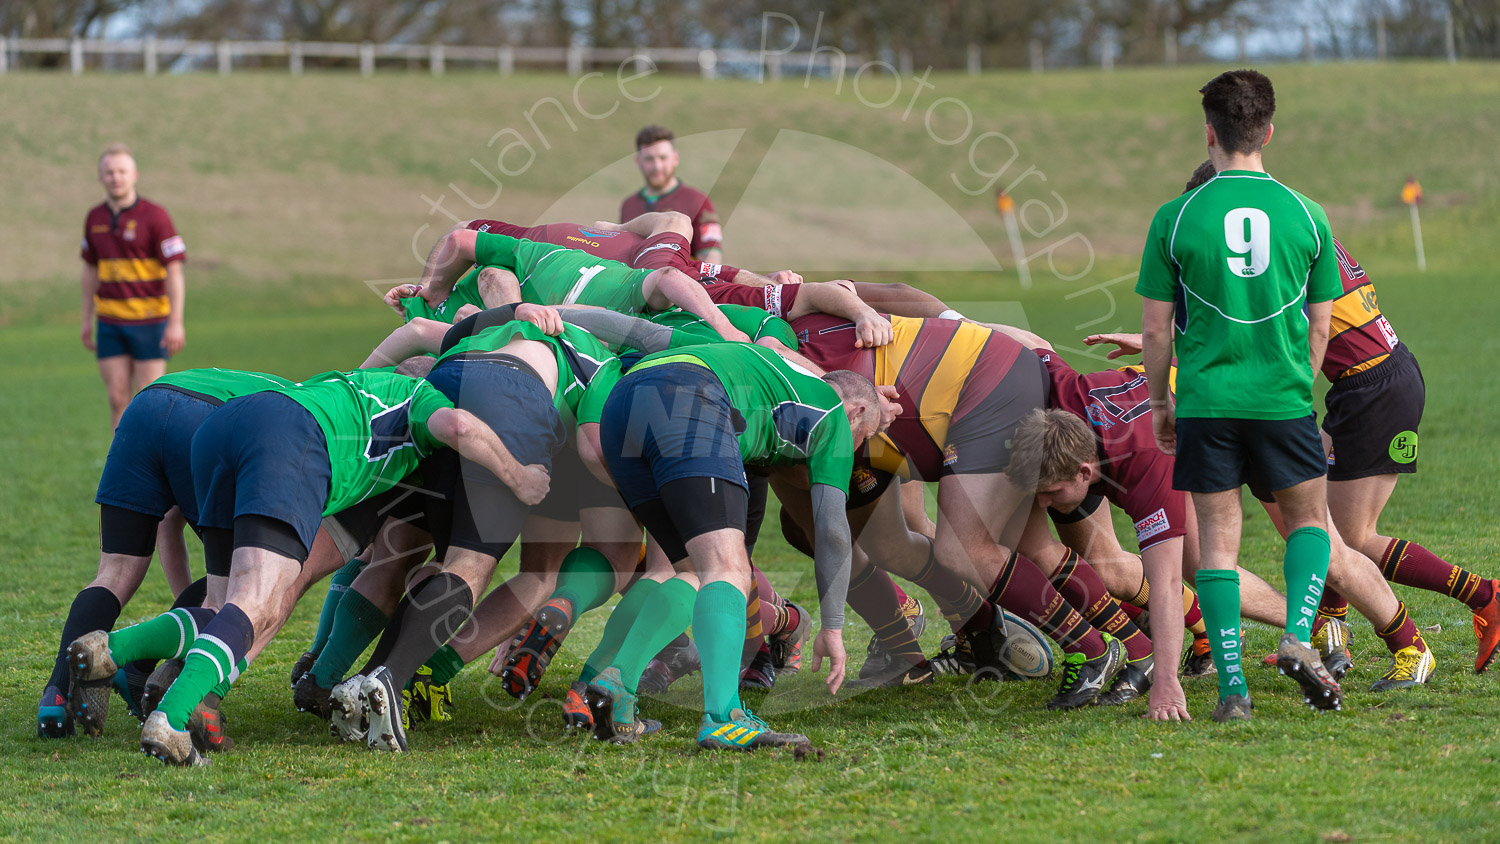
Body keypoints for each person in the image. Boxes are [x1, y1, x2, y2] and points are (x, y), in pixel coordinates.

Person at [68, 365, 547, 765]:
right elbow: (459, 427)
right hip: (289, 440)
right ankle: (170, 721)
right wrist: (520, 477)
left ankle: (109, 648)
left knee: (221, 605)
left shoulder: (351, 383)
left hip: (225, 426)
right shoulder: (421, 395)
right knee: (260, 605)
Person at [1135, 69, 1345, 722]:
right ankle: (1296, 635)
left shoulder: (1175, 217)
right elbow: (1321, 321)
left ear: (1209, 135)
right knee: (1309, 522)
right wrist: (1299, 383)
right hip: (1282, 400)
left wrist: (1162, 406)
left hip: (1205, 403)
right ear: (1269, 132)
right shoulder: (1308, 214)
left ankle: (1232, 692)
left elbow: (1153, 327)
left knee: (1219, 546)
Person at [582, 343, 894, 748]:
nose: (856, 450)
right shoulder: (835, 415)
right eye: (864, 438)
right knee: (728, 567)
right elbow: (832, 530)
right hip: (690, 393)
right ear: (857, 413)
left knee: (690, 570)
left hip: (622, 402)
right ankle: (724, 717)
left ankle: (619, 685)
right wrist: (833, 626)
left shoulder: (782, 378)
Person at [38, 368, 292, 740]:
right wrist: (203, 613)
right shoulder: (300, 423)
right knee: (250, 581)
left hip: (147, 406)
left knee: (115, 573)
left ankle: (54, 699)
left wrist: (188, 607)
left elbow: (168, 526)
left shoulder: (283, 392)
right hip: (209, 422)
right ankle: (142, 670)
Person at [81, 144, 187, 428]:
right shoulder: (94, 218)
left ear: (134, 175)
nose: (116, 177)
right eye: (109, 172)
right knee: (117, 398)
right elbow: (90, 270)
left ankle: (152, 470)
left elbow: (174, 271)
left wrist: (175, 322)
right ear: (101, 176)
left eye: (121, 171)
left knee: (149, 400)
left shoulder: (156, 216)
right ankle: (122, 468)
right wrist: (85, 319)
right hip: (110, 322)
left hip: (149, 321)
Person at [621, 125, 722, 263]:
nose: (657, 166)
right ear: (638, 162)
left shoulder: (697, 201)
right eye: (649, 159)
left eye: (663, 158)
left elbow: (711, 259)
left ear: (675, 158)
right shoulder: (629, 205)